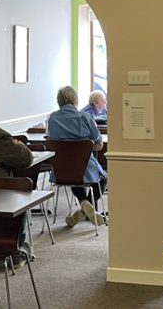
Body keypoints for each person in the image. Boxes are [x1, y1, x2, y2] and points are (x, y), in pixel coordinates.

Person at [47, 86, 108, 227]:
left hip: (61, 170)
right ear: (75, 99)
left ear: (59, 101)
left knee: (74, 180)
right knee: (103, 179)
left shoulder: (53, 118)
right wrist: (84, 146)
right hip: (85, 166)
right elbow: (98, 145)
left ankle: (84, 208)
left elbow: (52, 141)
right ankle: (87, 209)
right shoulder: (85, 117)